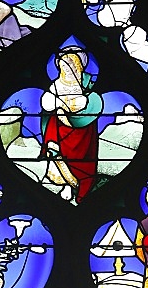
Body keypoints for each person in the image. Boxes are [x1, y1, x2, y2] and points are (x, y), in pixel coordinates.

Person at [40, 47, 102, 203]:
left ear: (79, 66)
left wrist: (81, 105)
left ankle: (79, 182)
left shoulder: (87, 83)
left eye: (72, 65)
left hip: (83, 131)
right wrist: (58, 105)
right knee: (57, 153)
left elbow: (93, 104)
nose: (68, 69)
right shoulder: (56, 85)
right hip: (59, 128)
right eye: (64, 65)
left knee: (81, 159)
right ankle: (67, 185)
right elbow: (47, 104)